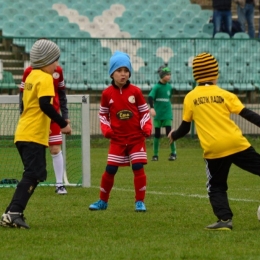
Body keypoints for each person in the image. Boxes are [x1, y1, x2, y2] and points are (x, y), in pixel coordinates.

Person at [168, 52, 260, 231]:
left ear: (196, 76)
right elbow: (249, 114)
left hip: (214, 148)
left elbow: (185, 128)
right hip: (236, 143)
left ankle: (225, 221)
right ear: (216, 74)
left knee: (216, 186)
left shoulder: (190, 97)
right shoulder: (225, 94)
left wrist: (174, 135)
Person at [0, 39, 72, 229]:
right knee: (34, 174)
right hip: (33, 134)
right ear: (47, 60)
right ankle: (14, 213)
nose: (57, 65)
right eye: (55, 61)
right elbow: (45, 105)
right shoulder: (46, 78)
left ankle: (10, 213)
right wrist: (63, 123)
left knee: (32, 173)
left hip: (22, 132)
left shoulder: (31, 75)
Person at [89, 51, 152, 212]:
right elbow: (103, 114)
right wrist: (106, 129)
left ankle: (140, 202)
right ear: (112, 73)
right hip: (117, 139)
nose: (123, 74)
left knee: (138, 166)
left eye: (126, 70)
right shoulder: (106, 94)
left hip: (136, 138)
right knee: (111, 169)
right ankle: (103, 201)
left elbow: (144, 111)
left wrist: (146, 126)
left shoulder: (136, 92)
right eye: (119, 71)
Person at [20, 64, 69, 195]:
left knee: (55, 149)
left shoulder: (58, 70)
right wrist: (23, 112)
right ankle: (29, 182)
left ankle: (59, 184)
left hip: (53, 117)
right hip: (36, 119)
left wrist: (64, 116)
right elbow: (22, 94)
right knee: (33, 149)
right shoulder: (29, 72)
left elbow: (62, 93)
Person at [148, 65, 177, 161]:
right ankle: (155, 155)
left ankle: (173, 153)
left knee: (169, 133)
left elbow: (169, 97)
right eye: (167, 74)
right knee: (157, 134)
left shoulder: (169, 87)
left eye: (170, 74)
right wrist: (152, 108)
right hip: (158, 115)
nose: (169, 76)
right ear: (162, 76)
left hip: (167, 114)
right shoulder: (156, 87)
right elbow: (150, 97)